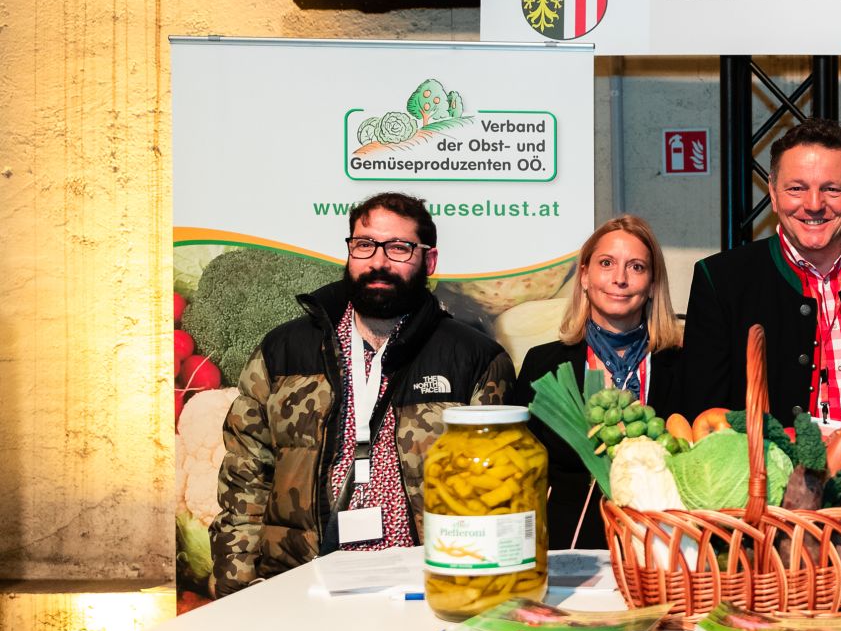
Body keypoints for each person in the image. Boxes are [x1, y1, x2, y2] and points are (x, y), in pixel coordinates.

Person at [211, 192, 514, 594]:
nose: (378, 262)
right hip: (301, 584)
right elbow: (246, 479)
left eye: (399, 248)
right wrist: (236, 590)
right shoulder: (284, 351)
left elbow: (497, 497)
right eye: (365, 245)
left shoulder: (474, 358)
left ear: (430, 260)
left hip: (426, 588)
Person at [681, 118, 841, 425]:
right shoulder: (720, 280)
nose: (814, 204)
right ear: (772, 193)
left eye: (832, 189)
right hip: (772, 471)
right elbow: (703, 420)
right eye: (796, 188)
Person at [512, 215, 685, 547]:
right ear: (585, 276)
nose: (620, 279)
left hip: (661, 551)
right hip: (566, 557)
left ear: (651, 285)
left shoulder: (683, 366)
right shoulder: (543, 364)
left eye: (636, 267)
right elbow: (519, 472)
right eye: (606, 263)